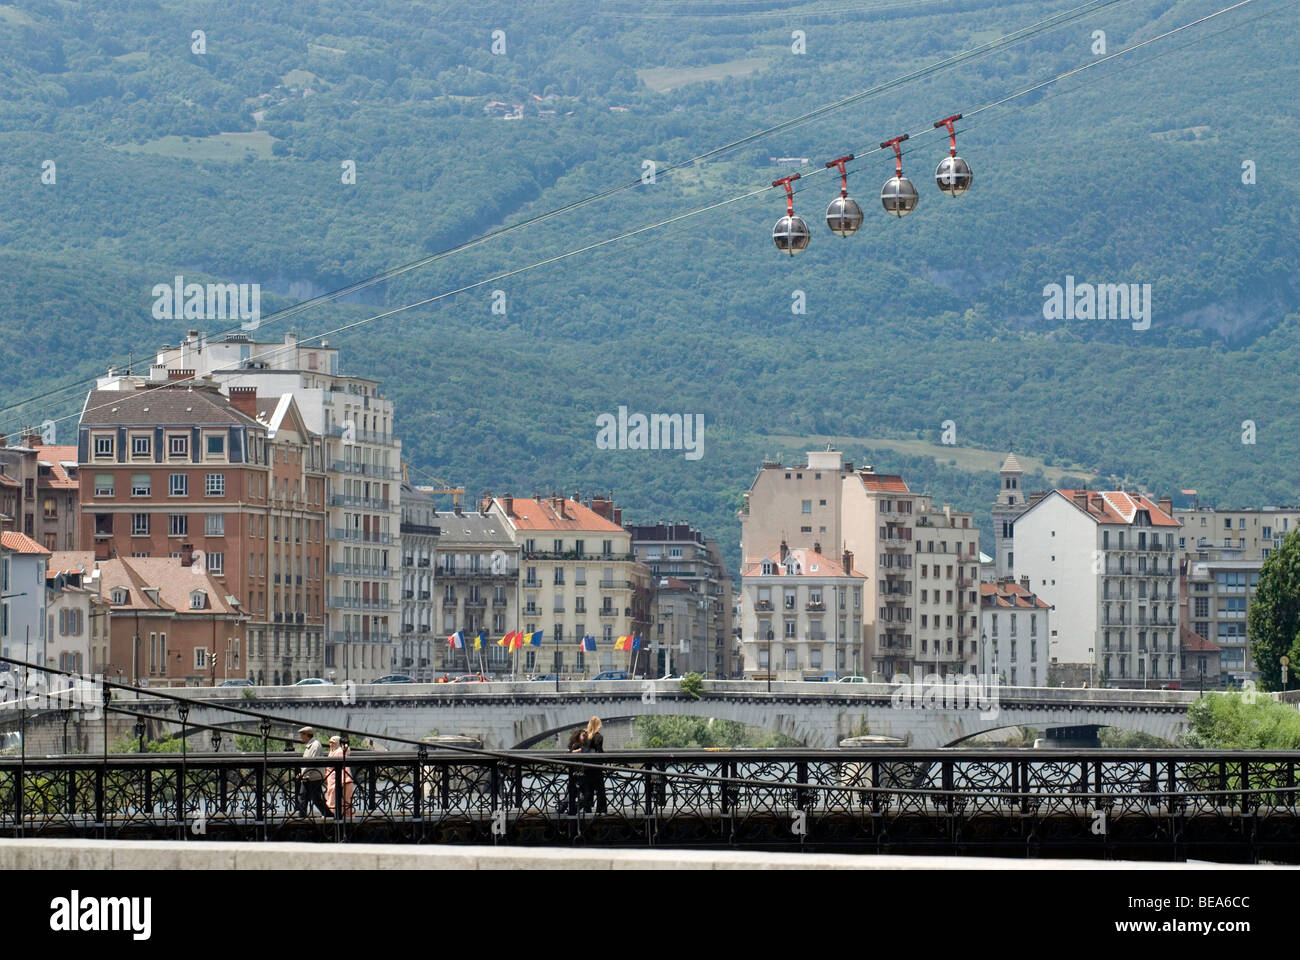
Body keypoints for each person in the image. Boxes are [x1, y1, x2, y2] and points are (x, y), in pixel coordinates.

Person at [296, 726, 331, 817]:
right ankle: (302, 817)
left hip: (313, 777)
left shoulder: (315, 745)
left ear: (306, 735)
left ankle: (329, 815)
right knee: (303, 797)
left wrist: (302, 774)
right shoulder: (309, 745)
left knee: (315, 799)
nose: (301, 737)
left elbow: (311, 762)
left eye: (302, 735)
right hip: (308, 776)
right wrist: (302, 773)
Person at [580, 716, 606, 814]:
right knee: (600, 789)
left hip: (586, 766)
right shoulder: (598, 736)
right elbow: (599, 751)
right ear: (598, 725)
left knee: (588, 789)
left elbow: (584, 748)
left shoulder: (585, 735)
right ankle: (601, 810)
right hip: (596, 766)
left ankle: (587, 810)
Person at [324, 735, 355, 816]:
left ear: (338, 743)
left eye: (333, 743)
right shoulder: (332, 752)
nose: (331, 744)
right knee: (337, 799)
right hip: (333, 780)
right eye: (330, 742)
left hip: (339, 780)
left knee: (338, 800)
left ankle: (332, 815)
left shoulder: (339, 752)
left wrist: (343, 780)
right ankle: (338, 815)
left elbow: (344, 768)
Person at [558, 728, 587, 814]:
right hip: (576, 773)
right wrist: (579, 751)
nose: (584, 737)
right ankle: (567, 810)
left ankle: (567, 810)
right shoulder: (577, 745)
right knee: (576, 794)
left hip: (579, 773)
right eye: (583, 735)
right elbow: (570, 753)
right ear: (578, 736)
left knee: (574, 794)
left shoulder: (583, 745)